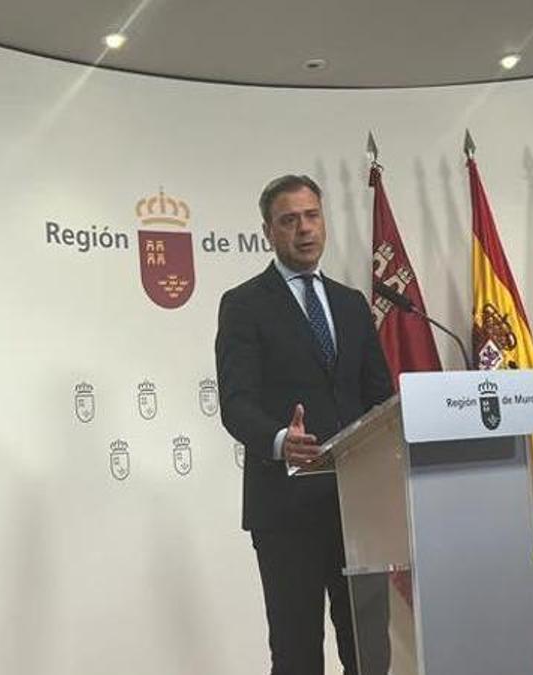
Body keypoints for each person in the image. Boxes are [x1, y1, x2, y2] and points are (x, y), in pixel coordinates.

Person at [215, 174, 393, 674]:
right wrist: (278, 440)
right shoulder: (244, 304)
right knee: (297, 656)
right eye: (289, 220)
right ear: (268, 231)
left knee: (370, 654)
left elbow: (378, 397)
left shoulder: (352, 303)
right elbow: (236, 401)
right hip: (286, 511)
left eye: (312, 216)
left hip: (360, 510)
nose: (304, 229)